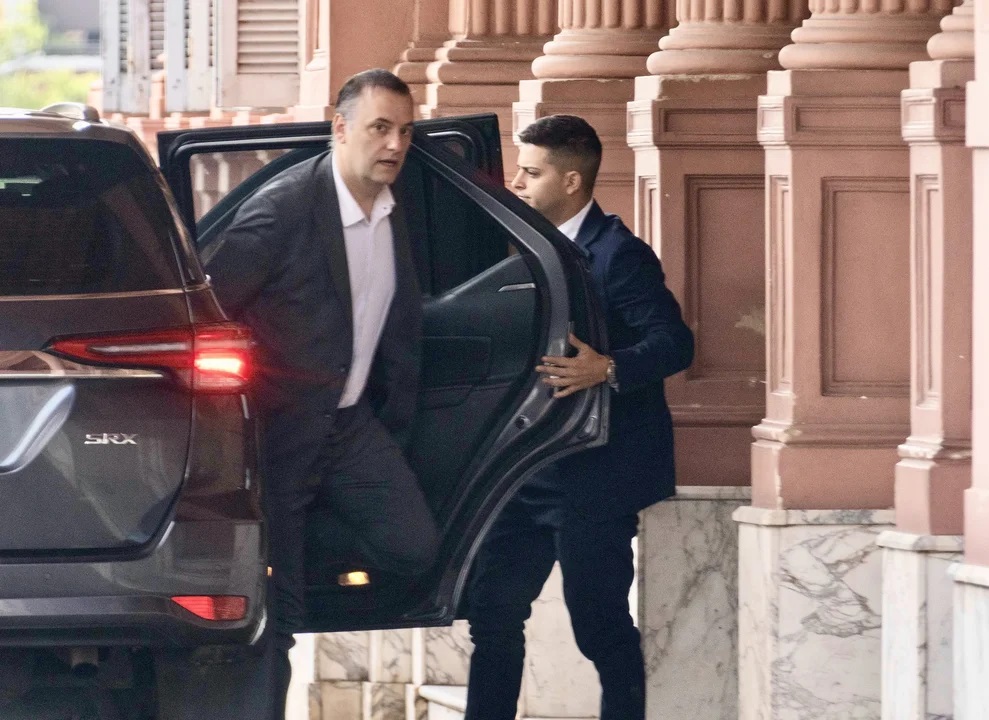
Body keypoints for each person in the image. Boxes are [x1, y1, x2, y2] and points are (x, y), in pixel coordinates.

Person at [158, 69, 439, 720]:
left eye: (405, 132)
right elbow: (211, 309)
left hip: (350, 428)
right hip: (278, 434)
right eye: (379, 128)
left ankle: (293, 558)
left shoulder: (390, 210)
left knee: (415, 548)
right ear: (339, 128)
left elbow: (394, 325)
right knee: (275, 618)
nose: (395, 145)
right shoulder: (283, 209)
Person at [463, 115, 694, 720]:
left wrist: (607, 368)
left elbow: (675, 343)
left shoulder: (620, 255)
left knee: (599, 626)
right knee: (492, 614)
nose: (516, 183)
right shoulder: (515, 246)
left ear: (571, 180)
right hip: (524, 470)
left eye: (531, 173)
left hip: (595, 476)